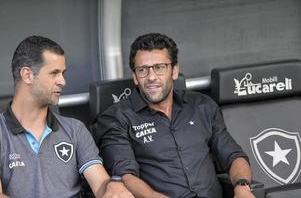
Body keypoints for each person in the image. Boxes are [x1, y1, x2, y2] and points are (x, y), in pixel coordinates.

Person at [95, 33, 255, 198]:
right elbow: (125, 175)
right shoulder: (117, 117)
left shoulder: (202, 105)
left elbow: (233, 156)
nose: (151, 77)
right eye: (142, 70)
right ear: (135, 77)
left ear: (174, 70)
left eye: (159, 67)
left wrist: (242, 187)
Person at [0, 36, 134, 198]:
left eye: (63, 73)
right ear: (27, 75)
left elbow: (99, 183)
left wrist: (112, 187)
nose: (62, 81)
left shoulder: (74, 129)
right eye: (54, 73)